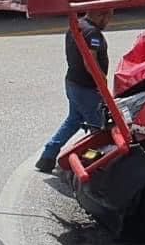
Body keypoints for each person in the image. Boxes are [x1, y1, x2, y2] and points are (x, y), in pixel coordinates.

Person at [35, 10, 112, 174]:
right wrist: (102, 83)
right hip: (87, 88)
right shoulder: (93, 34)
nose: (109, 22)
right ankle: (94, 165)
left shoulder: (76, 26)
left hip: (73, 83)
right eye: (108, 17)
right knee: (98, 129)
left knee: (74, 120)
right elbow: (89, 62)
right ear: (101, 15)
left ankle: (48, 156)